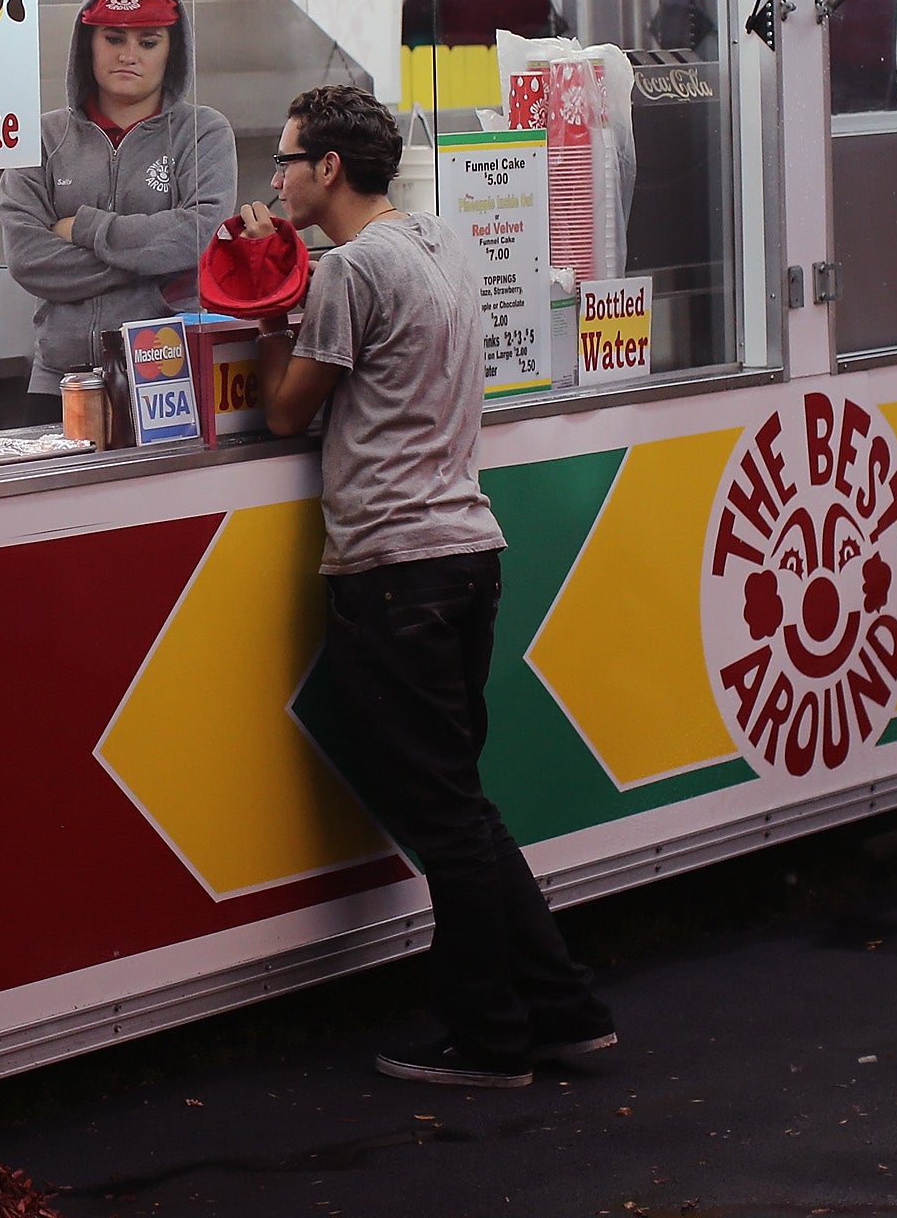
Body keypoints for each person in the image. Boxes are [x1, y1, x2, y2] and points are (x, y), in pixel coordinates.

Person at [242, 83, 613, 1088]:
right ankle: (569, 1012)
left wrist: (268, 308)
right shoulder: (441, 242)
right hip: (466, 552)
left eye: (284, 159)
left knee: (445, 815)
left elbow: (286, 413)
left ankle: (493, 1037)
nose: (274, 177)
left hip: (393, 570)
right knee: (462, 805)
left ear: (328, 167)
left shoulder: (350, 272)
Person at [0, 0, 237, 396]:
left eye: (148, 42)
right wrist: (151, 263)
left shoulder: (203, 132)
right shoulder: (40, 139)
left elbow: (200, 235)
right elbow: (26, 257)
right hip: (58, 379)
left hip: (165, 376)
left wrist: (83, 228)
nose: (129, 55)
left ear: (172, 51)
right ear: (87, 45)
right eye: (113, 39)